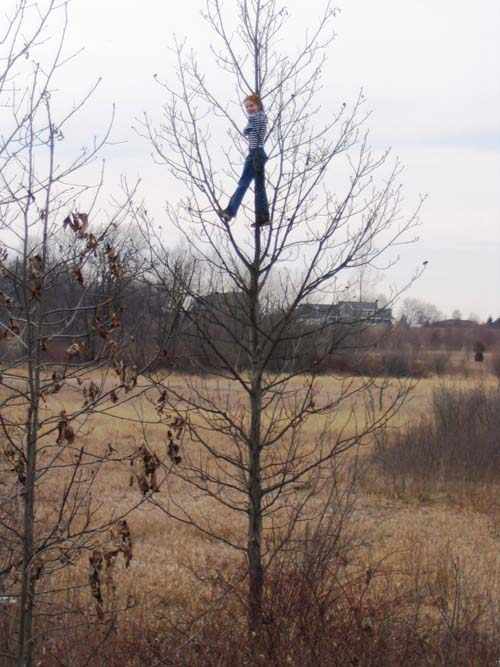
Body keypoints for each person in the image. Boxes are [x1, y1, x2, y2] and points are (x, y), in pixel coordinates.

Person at [218, 94, 271, 227]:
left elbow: (246, 130)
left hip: (255, 153)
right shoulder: (262, 117)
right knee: (259, 187)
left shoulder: (255, 117)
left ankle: (230, 211)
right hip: (260, 153)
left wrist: (247, 127)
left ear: (259, 105)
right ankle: (263, 216)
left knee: (243, 184)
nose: (249, 109)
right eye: (247, 107)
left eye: (252, 105)